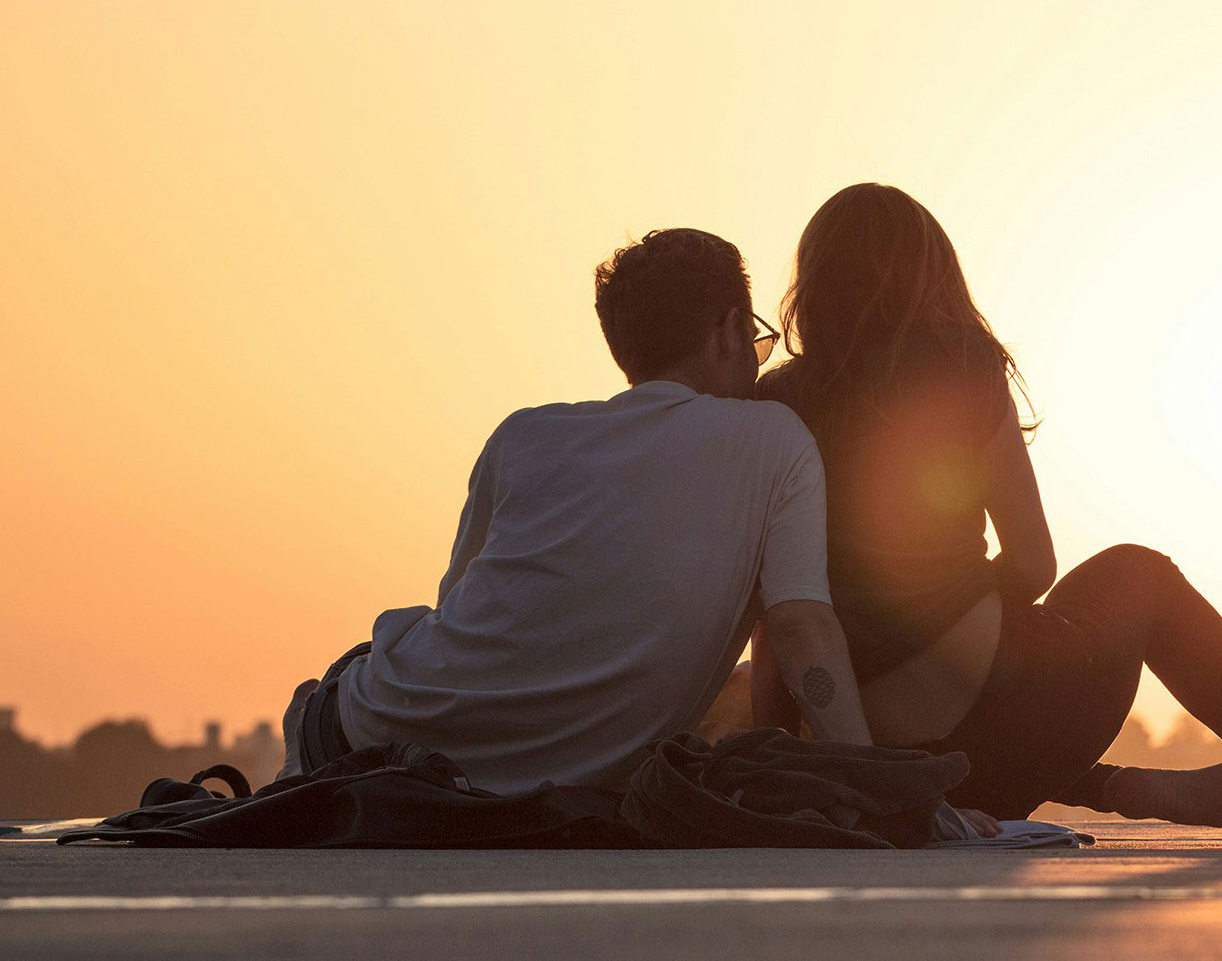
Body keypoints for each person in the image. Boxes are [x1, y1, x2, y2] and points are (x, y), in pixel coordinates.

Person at [753, 184, 1222, 842]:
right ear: (932, 279)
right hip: (1007, 721)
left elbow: (776, 616)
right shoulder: (962, 367)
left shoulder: (774, 405)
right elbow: (1033, 562)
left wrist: (795, 758)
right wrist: (958, 607)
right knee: (1140, 574)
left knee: (957, 713)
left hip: (893, 765)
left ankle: (1106, 786)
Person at [278, 228, 986, 832]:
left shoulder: (525, 436)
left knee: (366, 668)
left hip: (371, 737)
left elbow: (467, 615)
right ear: (731, 330)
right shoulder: (775, 439)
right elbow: (802, 631)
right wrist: (883, 794)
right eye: (758, 342)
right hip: (520, 786)